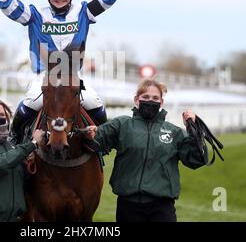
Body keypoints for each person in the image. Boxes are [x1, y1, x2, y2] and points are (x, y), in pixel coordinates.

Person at [0, 0, 119, 143]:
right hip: (43, 76)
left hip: (73, 76)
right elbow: (4, 2)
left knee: (94, 101)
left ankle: (104, 140)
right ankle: (14, 138)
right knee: (30, 102)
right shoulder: (33, 14)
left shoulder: (84, 11)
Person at [84, 79, 209, 222]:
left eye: (155, 98)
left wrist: (194, 131)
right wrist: (91, 135)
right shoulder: (121, 125)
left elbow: (197, 159)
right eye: (146, 97)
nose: (150, 101)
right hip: (128, 206)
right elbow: (96, 142)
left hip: (162, 207)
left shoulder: (174, 132)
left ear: (161, 102)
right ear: (136, 100)